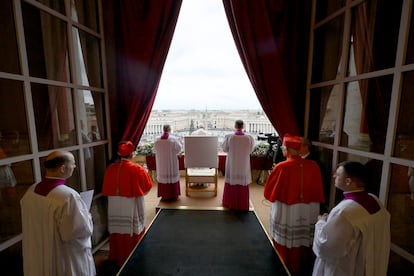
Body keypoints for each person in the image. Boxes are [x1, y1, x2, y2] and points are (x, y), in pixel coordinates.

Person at [20, 150, 96, 276]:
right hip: (60, 255)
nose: (75, 166)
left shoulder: (32, 190)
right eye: (73, 163)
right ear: (62, 168)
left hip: (37, 248)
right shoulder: (67, 196)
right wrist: (86, 216)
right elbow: (76, 232)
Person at [312, 161, 391, 276]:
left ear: (348, 181)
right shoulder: (375, 200)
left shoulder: (344, 211)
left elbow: (326, 247)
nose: (334, 176)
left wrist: (321, 222)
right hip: (370, 260)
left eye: (338, 174)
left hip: (347, 267)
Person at [264, 134, 325, 276]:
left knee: (287, 238)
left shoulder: (282, 167)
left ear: (288, 150)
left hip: (287, 208)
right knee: (303, 237)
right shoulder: (314, 165)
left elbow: (269, 191)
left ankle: (284, 263)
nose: (283, 151)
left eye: (284, 148)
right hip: (308, 207)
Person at [102, 141, 153, 267]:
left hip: (114, 204)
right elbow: (147, 187)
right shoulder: (137, 169)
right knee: (132, 227)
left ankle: (118, 255)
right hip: (132, 205)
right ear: (132, 154)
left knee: (118, 227)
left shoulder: (110, 168)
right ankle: (133, 255)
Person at [221, 119, 255, 211]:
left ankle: (230, 202)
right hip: (243, 163)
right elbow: (251, 150)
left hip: (232, 162)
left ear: (235, 126)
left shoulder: (229, 137)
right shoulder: (249, 138)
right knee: (242, 181)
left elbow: (224, 149)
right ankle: (242, 204)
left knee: (232, 180)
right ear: (243, 127)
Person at [154, 124, 182, 200]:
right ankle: (173, 194)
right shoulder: (173, 139)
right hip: (171, 161)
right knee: (172, 175)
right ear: (170, 129)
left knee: (163, 176)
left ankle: (165, 195)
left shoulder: (157, 139)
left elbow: (155, 150)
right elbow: (179, 148)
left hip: (161, 162)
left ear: (163, 129)